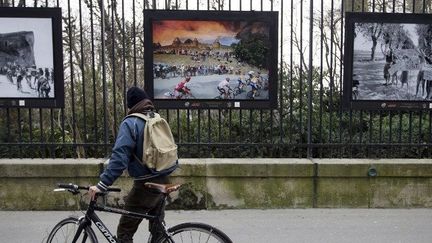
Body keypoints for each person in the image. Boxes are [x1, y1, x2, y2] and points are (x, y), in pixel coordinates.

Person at [89, 87, 177, 243]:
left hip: (146, 185)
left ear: (130, 106)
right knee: (158, 233)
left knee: (124, 232)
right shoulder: (156, 117)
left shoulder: (131, 123)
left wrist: (102, 185)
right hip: (164, 179)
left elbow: (119, 158)